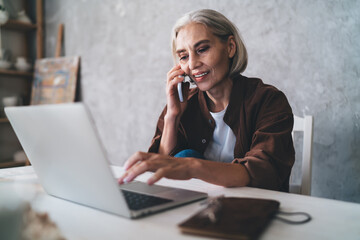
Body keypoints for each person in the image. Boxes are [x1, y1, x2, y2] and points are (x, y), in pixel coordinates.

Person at [119, 9, 295, 192]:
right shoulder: (183, 103)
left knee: (187, 157)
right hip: (201, 208)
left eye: (202, 49)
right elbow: (162, 173)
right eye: (184, 56)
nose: (193, 64)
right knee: (184, 155)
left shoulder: (268, 100)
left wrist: (192, 166)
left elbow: (264, 172)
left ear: (230, 47)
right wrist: (172, 116)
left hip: (255, 207)